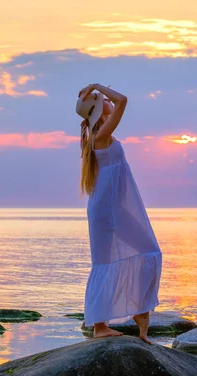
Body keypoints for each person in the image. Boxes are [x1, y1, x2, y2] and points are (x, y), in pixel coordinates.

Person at [75, 83, 163, 344]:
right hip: (105, 210)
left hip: (115, 208)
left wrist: (97, 96)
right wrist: (97, 87)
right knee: (103, 263)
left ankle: (139, 310)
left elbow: (117, 104)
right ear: (98, 111)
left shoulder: (104, 135)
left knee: (150, 251)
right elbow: (123, 101)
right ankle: (99, 326)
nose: (108, 103)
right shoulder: (100, 135)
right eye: (103, 102)